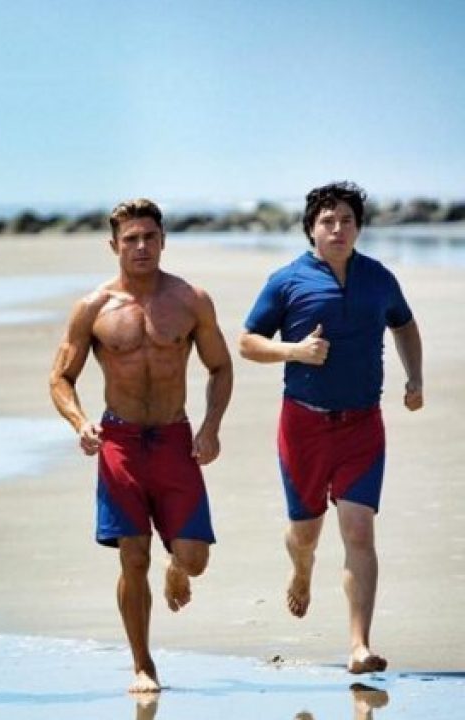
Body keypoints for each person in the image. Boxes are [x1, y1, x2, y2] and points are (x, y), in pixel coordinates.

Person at [49, 198, 233, 693]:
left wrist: (211, 426)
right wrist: (80, 422)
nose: (141, 246)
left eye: (150, 237)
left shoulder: (191, 300)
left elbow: (220, 366)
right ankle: (142, 664)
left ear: (163, 241)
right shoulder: (93, 308)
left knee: (194, 558)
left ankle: (178, 568)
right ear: (114, 246)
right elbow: (61, 377)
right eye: (130, 239)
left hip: (175, 439)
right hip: (121, 442)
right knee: (133, 556)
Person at [238, 181, 422, 674]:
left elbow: (404, 324)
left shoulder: (378, 278)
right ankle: (302, 569)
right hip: (304, 425)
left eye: (346, 220)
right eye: (327, 221)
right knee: (305, 533)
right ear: (311, 230)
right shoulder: (287, 281)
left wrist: (415, 378)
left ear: (358, 227)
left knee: (359, 529)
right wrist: (295, 351)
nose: (338, 228)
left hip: (363, 425)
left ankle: (359, 645)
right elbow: (248, 341)